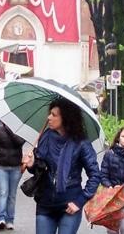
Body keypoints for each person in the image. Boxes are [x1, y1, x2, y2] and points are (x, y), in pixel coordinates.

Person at [22, 97, 101, 234]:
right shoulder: (45, 137)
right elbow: (40, 169)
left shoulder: (81, 143)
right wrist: (32, 163)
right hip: (45, 204)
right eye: (49, 113)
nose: (49, 117)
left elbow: (95, 175)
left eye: (54, 115)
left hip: (69, 205)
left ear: (65, 117)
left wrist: (79, 201)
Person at [0, 123, 26, 230]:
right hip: (1, 166)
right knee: (3, 192)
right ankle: (1, 218)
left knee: (12, 195)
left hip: (16, 166)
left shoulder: (21, 131)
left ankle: (10, 220)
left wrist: (10, 130)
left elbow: (19, 142)